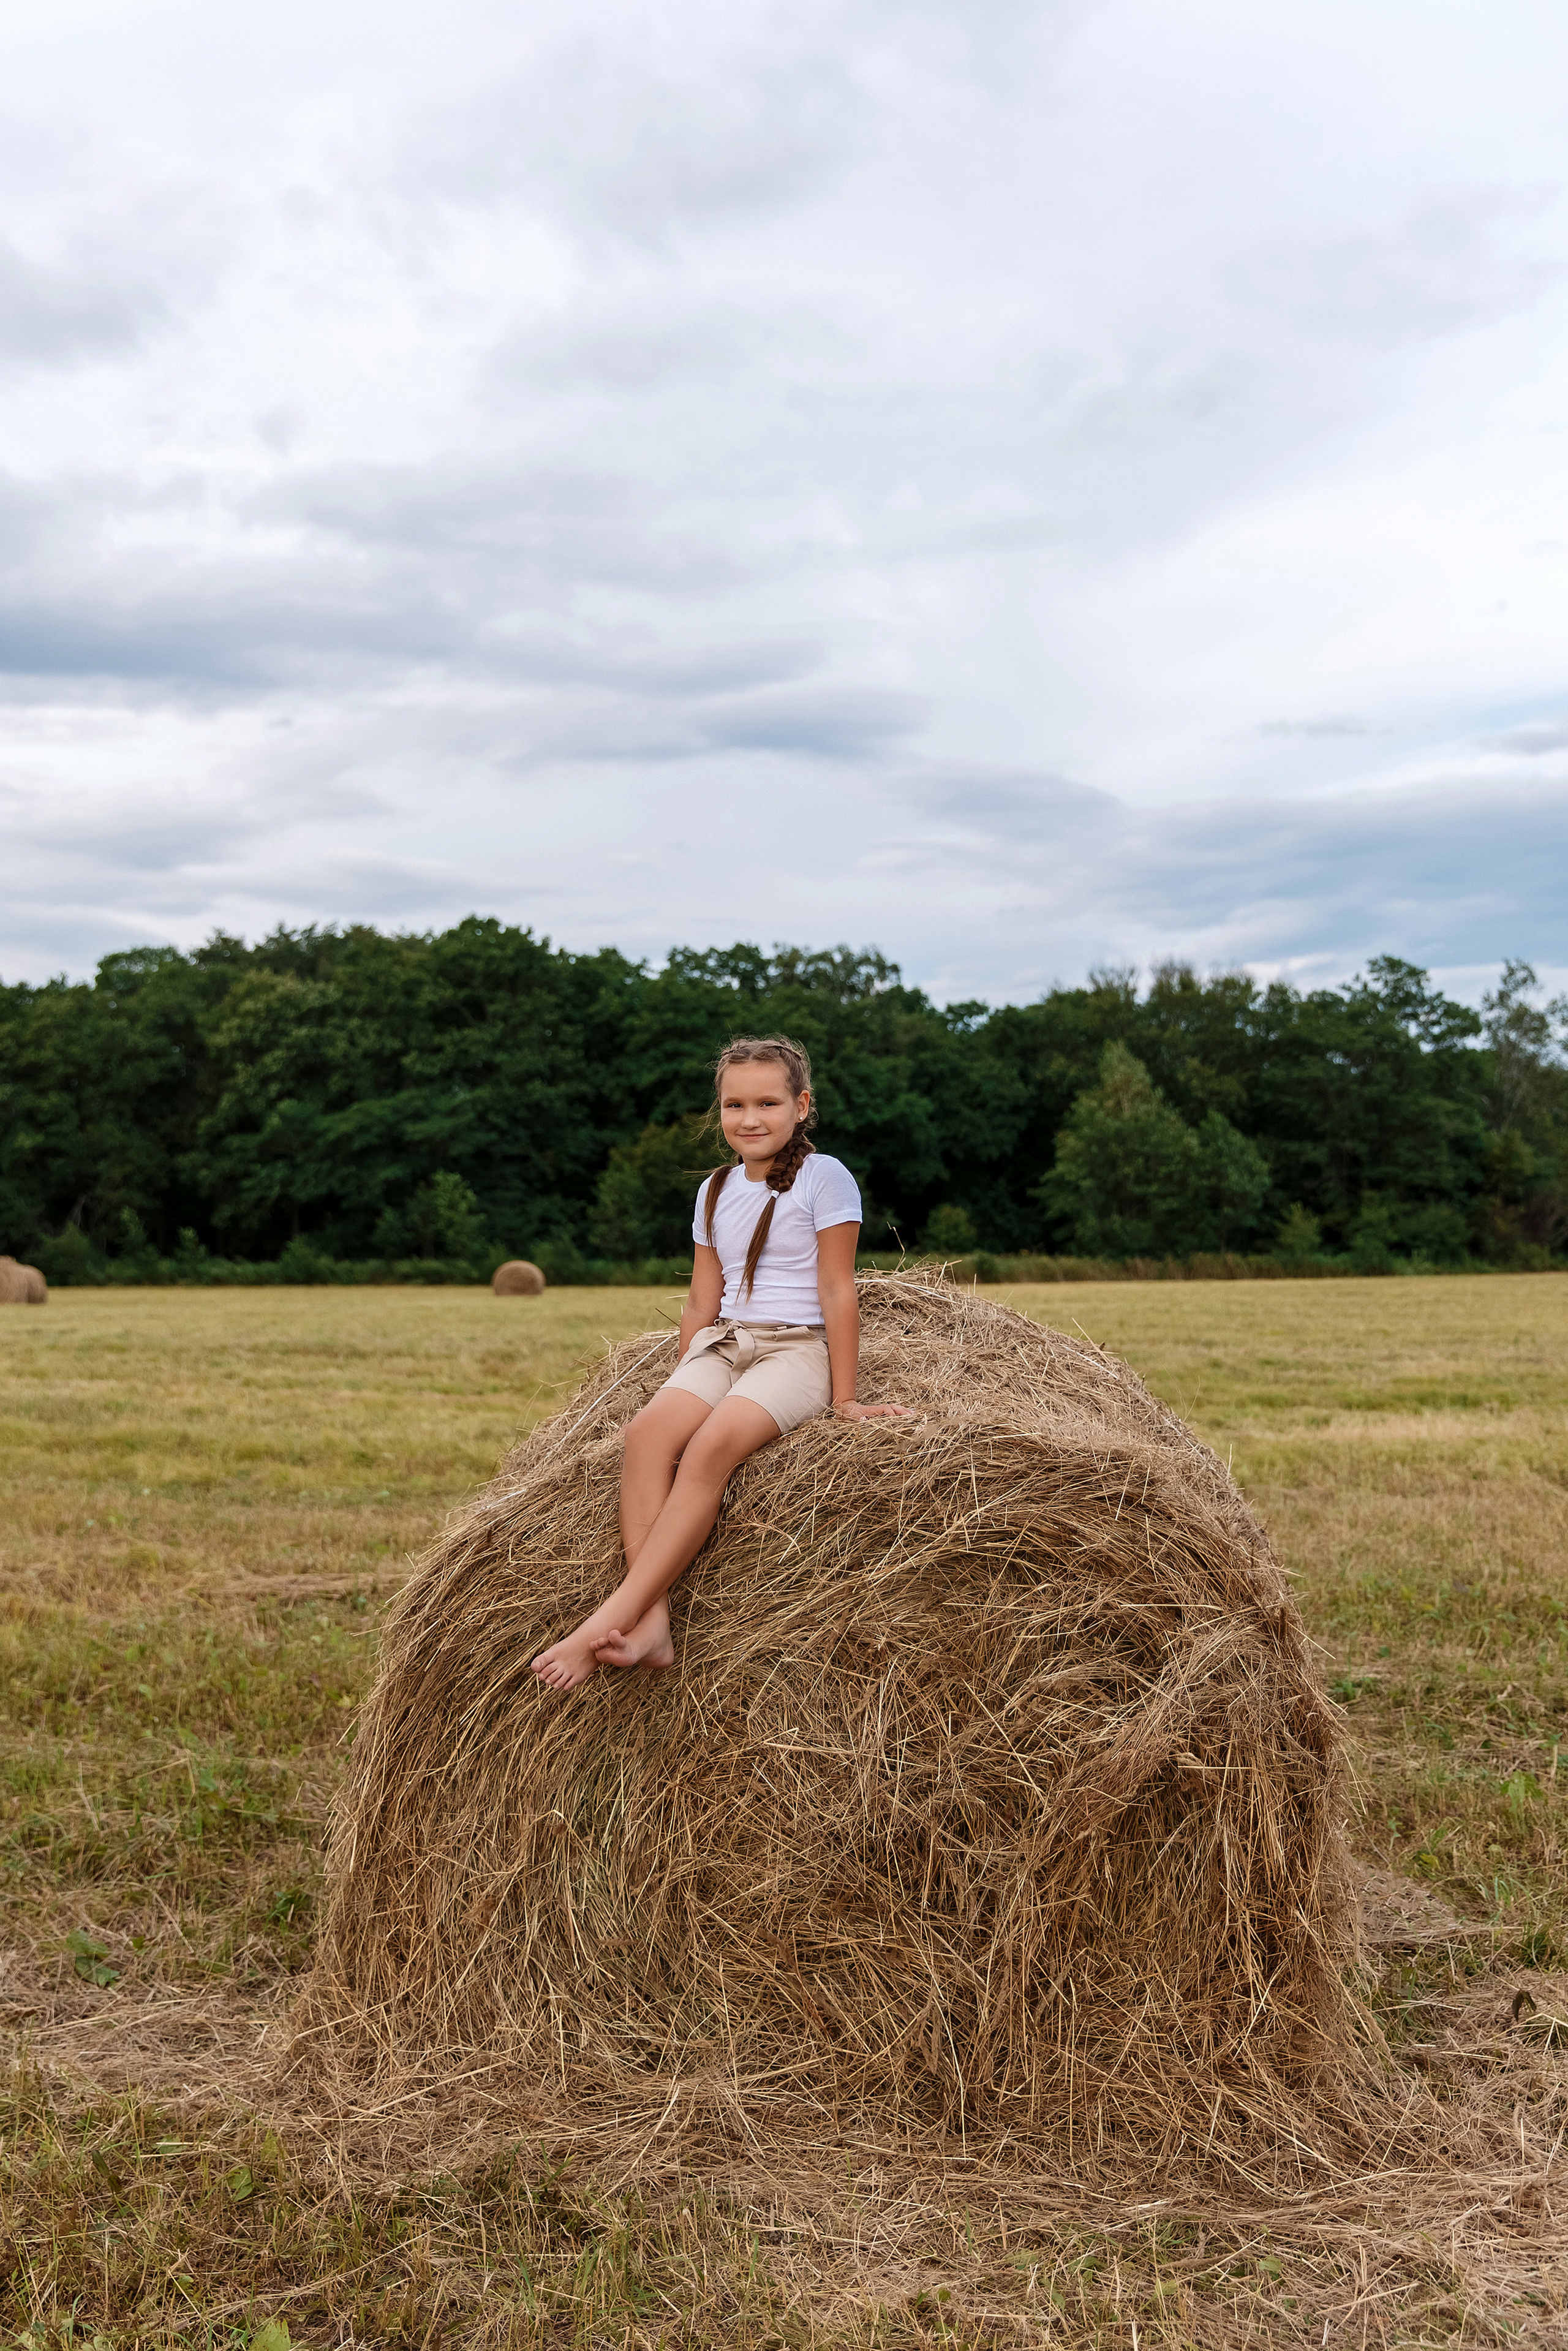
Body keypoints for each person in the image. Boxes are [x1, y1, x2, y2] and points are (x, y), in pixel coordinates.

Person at [530, 1034, 910, 1691]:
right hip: (725, 1343)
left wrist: (844, 1400)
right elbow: (703, 1299)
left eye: (767, 1102)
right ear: (719, 1111)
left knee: (708, 1451)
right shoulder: (713, 1190)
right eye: (735, 1104)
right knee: (648, 1435)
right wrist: (683, 1379)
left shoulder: (826, 1177)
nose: (750, 1118)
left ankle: (606, 1622)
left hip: (795, 1348)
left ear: (801, 1105)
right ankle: (652, 1623)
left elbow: (835, 1289)